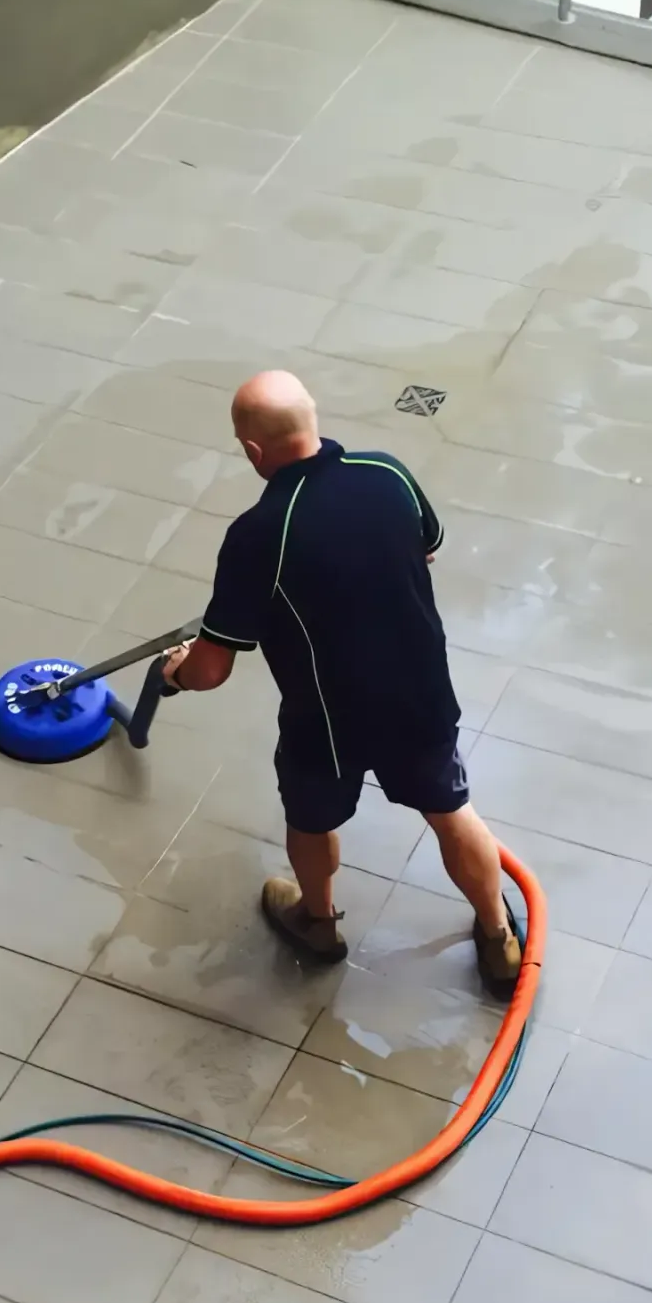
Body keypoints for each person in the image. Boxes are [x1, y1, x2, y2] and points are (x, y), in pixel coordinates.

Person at [162, 370, 523, 999]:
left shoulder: (256, 535)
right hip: (420, 697)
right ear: (313, 420)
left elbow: (213, 669)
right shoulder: (387, 472)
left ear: (252, 451)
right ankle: (498, 936)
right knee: (450, 811)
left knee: (311, 817)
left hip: (327, 722)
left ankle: (318, 922)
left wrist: (178, 669)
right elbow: (426, 547)